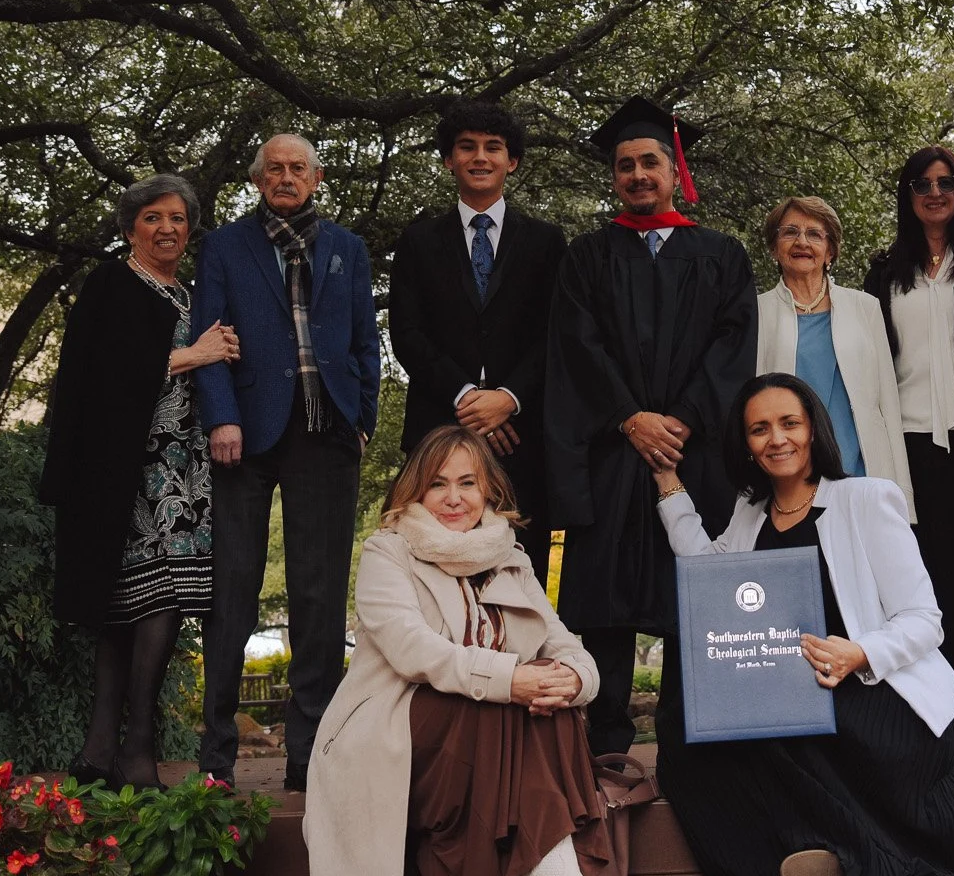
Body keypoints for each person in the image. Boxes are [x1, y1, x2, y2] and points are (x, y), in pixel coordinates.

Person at [649, 374, 954, 876]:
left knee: (789, 737)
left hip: (872, 690)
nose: (776, 439)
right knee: (696, 730)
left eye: (790, 423)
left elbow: (924, 619)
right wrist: (669, 482)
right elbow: (708, 572)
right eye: (759, 429)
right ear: (747, 445)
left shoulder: (867, 499)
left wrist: (859, 653)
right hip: (789, 691)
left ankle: (850, 858)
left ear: (814, 430)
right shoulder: (750, 513)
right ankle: (803, 862)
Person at [305, 426, 628, 876]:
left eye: (467, 483)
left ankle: (544, 864)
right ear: (415, 489)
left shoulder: (511, 557)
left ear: (488, 492)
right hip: (395, 731)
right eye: (438, 484)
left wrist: (575, 680)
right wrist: (508, 680)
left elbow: (564, 642)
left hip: (488, 735)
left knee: (547, 683)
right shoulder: (387, 551)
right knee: (501, 693)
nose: (453, 498)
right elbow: (413, 649)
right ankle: (543, 865)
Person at [544, 96, 758, 756]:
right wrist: (630, 418)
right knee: (603, 601)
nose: (637, 174)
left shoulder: (721, 255)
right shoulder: (585, 257)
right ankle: (605, 741)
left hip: (694, 456)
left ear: (674, 170)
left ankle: (689, 742)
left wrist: (684, 420)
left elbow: (733, 346)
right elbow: (575, 347)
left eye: (650, 162)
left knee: (691, 598)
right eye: (625, 165)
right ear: (614, 176)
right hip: (614, 452)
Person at [192, 133, 382, 790]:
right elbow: (205, 335)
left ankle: (310, 758)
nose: (286, 176)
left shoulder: (346, 248)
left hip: (327, 430)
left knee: (319, 595)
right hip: (245, 430)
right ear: (257, 178)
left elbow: (366, 341)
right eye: (274, 168)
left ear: (317, 176)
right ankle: (216, 755)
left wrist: (364, 419)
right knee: (233, 589)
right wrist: (220, 415)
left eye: (297, 167)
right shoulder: (223, 245)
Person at [41, 174, 239, 788]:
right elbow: (99, 374)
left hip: (184, 467)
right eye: (154, 217)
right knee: (129, 604)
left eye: (178, 218)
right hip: (122, 466)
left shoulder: (193, 295)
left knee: (157, 599)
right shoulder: (111, 284)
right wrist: (193, 356)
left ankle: (118, 747)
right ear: (131, 228)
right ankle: (119, 746)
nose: (168, 228)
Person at [860, 146, 954, 763]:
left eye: (947, 182)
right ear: (907, 193)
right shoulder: (885, 270)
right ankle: (944, 728)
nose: (935, 191)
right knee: (932, 582)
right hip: (914, 444)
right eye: (921, 183)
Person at [390, 102, 568, 579]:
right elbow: (405, 333)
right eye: (466, 147)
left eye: (493, 147)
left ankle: (520, 657)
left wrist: (509, 399)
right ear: (449, 159)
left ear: (512, 161)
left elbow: (558, 334)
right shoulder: (418, 240)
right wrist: (468, 397)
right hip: (437, 428)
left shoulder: (547, 243)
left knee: (519, 565)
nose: (480, 157)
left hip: (521, 437)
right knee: (435, 565)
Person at [754, 196, 912, 513]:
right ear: (774, 248)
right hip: (789, 477)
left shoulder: (865, 307)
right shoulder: (756, 313)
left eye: (815, 233)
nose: (802, 241)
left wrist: (902, 494)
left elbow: (887, 404)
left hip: (861, 471)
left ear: (831, 250)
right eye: (790, 232)